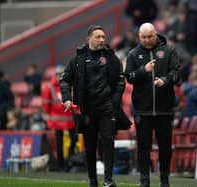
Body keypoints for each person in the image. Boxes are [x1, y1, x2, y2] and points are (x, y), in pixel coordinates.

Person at [60, 25, 129, 187]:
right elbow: (64, 80)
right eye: (98, 37)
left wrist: (115, 101)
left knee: (108, 142)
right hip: (87, 110)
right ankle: (92, 180)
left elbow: (121, 79)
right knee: (90, 146)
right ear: (89, 38)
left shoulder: (111, 56)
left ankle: (108, 180)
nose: (102, 40)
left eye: (103, 37)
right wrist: (67, 99)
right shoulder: (77, 58)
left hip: (107, 108)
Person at [125, 23, 181, 187]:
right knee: (143, 147)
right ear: (139, 37)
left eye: (150, 36)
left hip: (165, 109)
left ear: (156, 34)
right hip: (143, 110)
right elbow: (129, 76)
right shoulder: (134, 54)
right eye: (143, 37)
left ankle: (164, 179)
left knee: (165, 146)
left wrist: (165, 80)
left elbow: (176, 73)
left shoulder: (169, 51)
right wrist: (144, 70)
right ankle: (144, 180)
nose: (147, 40)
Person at [42, 65, 77, 171]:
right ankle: (61, 165)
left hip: (69, 119)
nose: (60, 76)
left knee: (74, 139)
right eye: (58, 74)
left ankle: (70, 159)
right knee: (59, 143)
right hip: (57, 121)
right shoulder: (50, 87)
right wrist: (49, 116)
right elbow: (46, 104)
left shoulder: (69, 85)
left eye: (62, 74)